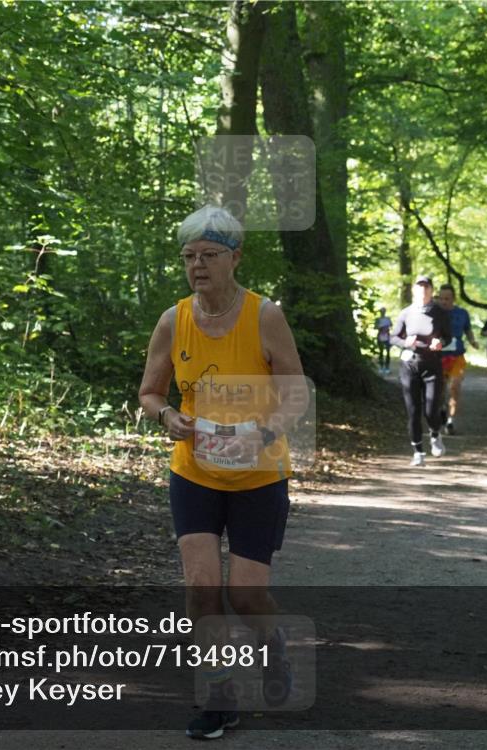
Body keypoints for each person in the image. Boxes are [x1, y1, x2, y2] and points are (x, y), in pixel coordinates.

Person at [138, 205, 307, 740]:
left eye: (209, 255)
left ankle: (274, 647)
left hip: (259, 474)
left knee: (246, 596)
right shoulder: (174, 320)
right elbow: (149, 392)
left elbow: (295, 393)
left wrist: (264, 433)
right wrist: (167, 416)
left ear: (235, 258)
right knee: (201, 589)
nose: (197, 265)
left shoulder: (265, 316)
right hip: (195, 472)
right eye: (189, 256)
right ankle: (219, 696)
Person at [389, 275, 452, 466]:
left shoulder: (440, 313)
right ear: (414, 290)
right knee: (413, 411)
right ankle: (418, 452)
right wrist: (404, 342)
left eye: (426, 287)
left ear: (432, 291)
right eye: (420, 286)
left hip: (432, 365)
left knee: (431, 409)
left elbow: (449, 337)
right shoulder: (406, 313)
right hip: (410, 365)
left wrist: (440, 343)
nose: (423, 290)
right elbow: (393, 337)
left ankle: (435, 433)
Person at [437, 284, 478, 435]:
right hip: (439, 357)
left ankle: (450, 421)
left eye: (447, 299)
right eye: (441, 298)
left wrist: (472, 341)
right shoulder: (434, 314)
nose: (444, 301)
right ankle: (442, 409)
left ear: (453, 299)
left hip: (457, 356)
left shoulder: (462, 313)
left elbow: (468, 329)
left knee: (455, 387)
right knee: (440, 390)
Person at [374, 307, 393, 374]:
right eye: (381, 311)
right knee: (381, 352)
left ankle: (387, 367)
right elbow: (375, 327)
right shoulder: (378, 319)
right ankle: (381, 367)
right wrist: (380, 327)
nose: (383, 312)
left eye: (384, 311)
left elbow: (391, 325)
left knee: (388, 352)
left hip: (387, 336)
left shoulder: (388, 318)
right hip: (380, 336)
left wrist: (387, 326)